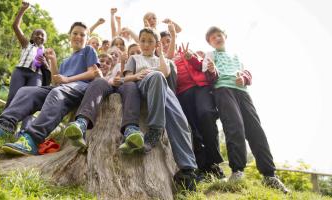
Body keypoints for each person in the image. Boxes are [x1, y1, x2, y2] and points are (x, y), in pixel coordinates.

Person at [0, 22, 101, 156]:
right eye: (75, 33)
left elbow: (92, 72)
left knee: (57, 92)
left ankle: (32, 139)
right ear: (69, 36)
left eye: (82, 35)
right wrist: (53, 60)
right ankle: (4, 128)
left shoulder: (88, 50)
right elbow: (56, 80)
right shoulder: (66, 60)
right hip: (64, 88)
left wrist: (67, 80)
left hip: (81, 86)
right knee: (26, 91)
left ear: (87, 39)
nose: (78, 36)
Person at [203, 26, 289, 193]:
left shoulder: (236, 56)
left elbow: (247, 73)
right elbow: (208, 76)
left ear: (225, 36)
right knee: (235, 127)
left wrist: (243, 78)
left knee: (255, 129)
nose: (217, 39)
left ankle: (269, 176)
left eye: (219, 35)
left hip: (242, 93)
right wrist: (213, 70)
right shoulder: (210, 55)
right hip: (223, 90)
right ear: (210, 42)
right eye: (213, 38)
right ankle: (237, 171)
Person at [124, 27, 199, 191]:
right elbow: (126, 77)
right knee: (156, 76)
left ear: (156, 44)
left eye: (150, 41)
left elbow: (165, 72)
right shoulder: (135, 58)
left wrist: (161, 54)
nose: (145, 44)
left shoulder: (160, 59)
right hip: (143, 85)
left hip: (162, 87)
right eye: (142, 40)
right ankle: (155, 129)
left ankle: (187, 170)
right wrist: (136, 76)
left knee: (180, 118)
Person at [63, 52, 143, 153]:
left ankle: (131, 129)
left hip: (123, 86)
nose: (105, 63)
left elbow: (124, 77)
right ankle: (81, 123)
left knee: (131, 86)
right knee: (98, 82)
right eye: (102, 61)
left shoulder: (120, 68)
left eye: (108, 62)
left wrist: (119, 78)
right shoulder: (99, 71)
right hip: (105, 85)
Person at [172, 42, 225, 180]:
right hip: (182, 92)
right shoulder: (167, 57)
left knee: (206, 114)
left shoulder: (191, 53)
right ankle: (202, 167)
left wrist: (193, 58)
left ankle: (214, 163)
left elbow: (210, 73)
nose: (167, 43)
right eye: (164, 41)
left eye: (169, 40)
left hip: (201, 87)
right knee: (193, 128)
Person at [6, 1, 50, 130]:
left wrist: (45, 62)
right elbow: (15, 26)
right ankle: (5, 127)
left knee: (30, 102)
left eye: (43, 35)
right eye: (37, 33)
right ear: (32, 36)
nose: (40, 36)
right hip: (21, 71)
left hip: (36, 76)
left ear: (45, 39)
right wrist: (23, 10)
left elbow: (51, 70)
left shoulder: (47, 52)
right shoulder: (26, 44)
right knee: (13, 97)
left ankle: (24, 132)